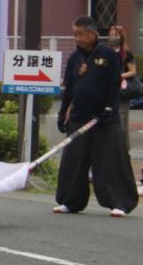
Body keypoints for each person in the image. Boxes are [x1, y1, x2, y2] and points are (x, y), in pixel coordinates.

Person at [54, 16, 137, 217]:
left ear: (92, 34)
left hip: (104, 118)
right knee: (73, 160)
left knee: (109, 160)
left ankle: (119, 202)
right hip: (79, 117)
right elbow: (70, 88)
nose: (77, 38)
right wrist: (62, 112)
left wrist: (110, 108)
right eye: (74, 34)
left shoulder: (108, 54)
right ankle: (70, 201)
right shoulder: (75, 57)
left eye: (80, 34)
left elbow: (114, 85)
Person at [108, 24, 138, 146]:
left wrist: (119, 76)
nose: (113, 37)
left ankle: (124, 150)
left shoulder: (126, 53)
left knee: (122, 122)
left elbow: (133, 71)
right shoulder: (105, 51)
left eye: (116, 35)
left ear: (121, 36)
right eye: (111, 35)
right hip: (107, 91)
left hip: (121, 91)